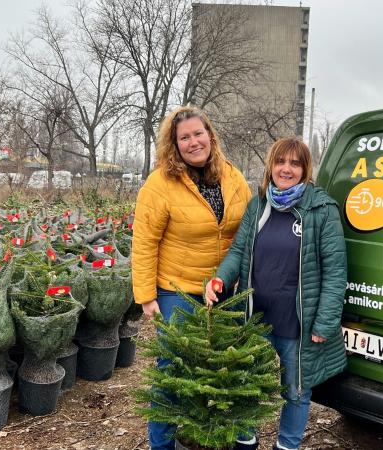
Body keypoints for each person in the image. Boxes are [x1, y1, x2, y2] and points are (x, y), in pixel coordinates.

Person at [205, 137, 348, 450]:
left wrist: (324, 322)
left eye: (294, 163)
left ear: (305, 169)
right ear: (271, 165)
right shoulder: (259, 204)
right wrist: (220, 280)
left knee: (296, 391)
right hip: (255, 317)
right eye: (280, 162)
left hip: (297, 323)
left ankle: (287, 445)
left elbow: (336, 271)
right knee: (246, 384)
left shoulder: (321, 210)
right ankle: (246, 441)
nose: (286, 169)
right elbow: (239, 250)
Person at [132, 105, 252, 450]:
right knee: (173, 371)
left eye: (199, 133)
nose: (194, 141)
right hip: (177, 292)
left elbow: (248, 229)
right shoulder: (160, 184)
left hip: (225, 289)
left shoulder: (232, 176)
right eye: (184, 137)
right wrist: (146, 296)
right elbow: (144, 242)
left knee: (227, 370)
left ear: (210, 135)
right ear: (174, 144)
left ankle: (224, 437)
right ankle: (163, 444)